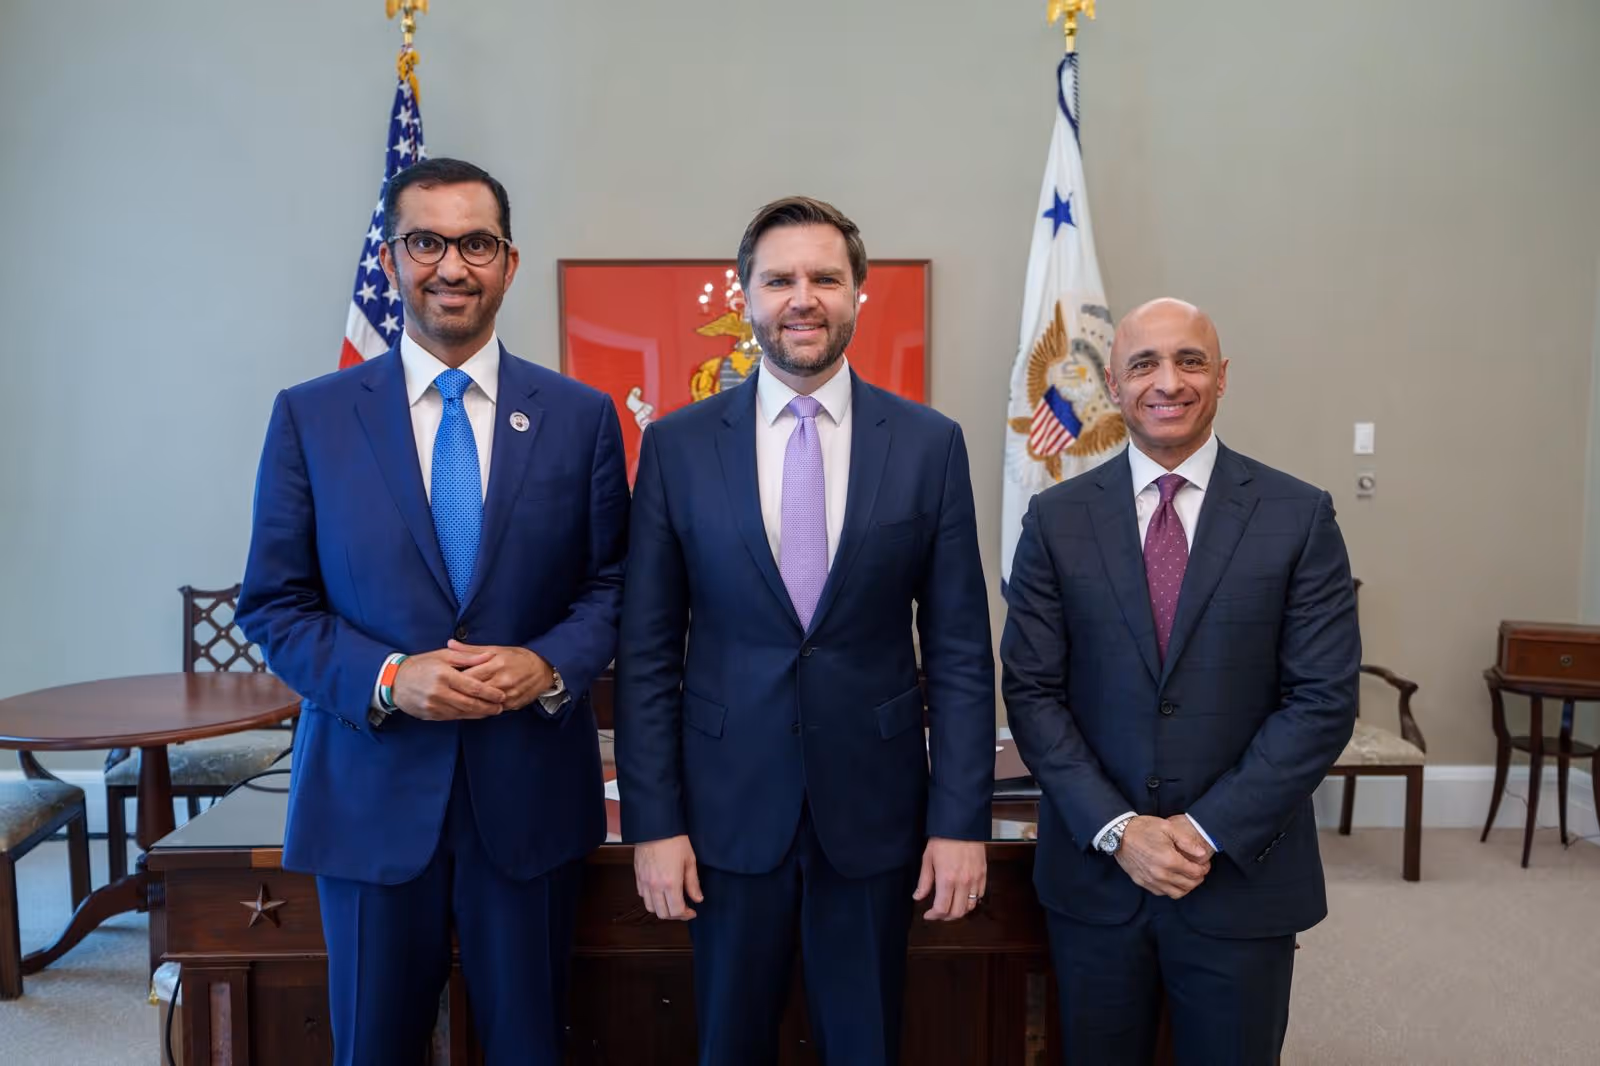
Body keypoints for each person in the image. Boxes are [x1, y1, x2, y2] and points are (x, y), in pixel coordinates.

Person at [237, 157, 628, 1065]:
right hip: (369, 798)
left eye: (476, 243)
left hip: (528, 796)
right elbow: (275, 603)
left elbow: (615, 584)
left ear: (510, 262)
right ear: (391, 259)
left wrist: (548, 663)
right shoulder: (312, 417)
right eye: (427, 242)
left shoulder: (579, 416)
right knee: (372, 1048)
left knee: (531, 1044)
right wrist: (387, 677)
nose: (452, 266)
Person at [614, 196, 996, 1065]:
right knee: (729, 1046)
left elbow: (962, 654)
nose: (803, 297)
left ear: (860, 292)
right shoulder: (677, 447)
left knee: (866, 1046)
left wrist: (960, 820)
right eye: (779, 278)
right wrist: (654, 823)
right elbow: (643, 655)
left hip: (874, 814)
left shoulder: (929, 445)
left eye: (825, 277)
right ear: (744, 295)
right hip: (722, 819)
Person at [1000, 298, 1358, 1065]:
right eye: (1144, 364)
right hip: (1097, 878)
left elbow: (1322, 700)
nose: (1169, 381)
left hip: (1240, 880)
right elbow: (1032, 692)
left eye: (1190, 361)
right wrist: (1120, 830)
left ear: (1222, 378)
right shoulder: (1055, 521)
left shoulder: (1298, 516)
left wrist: (1201, 832)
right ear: (1114, 387)